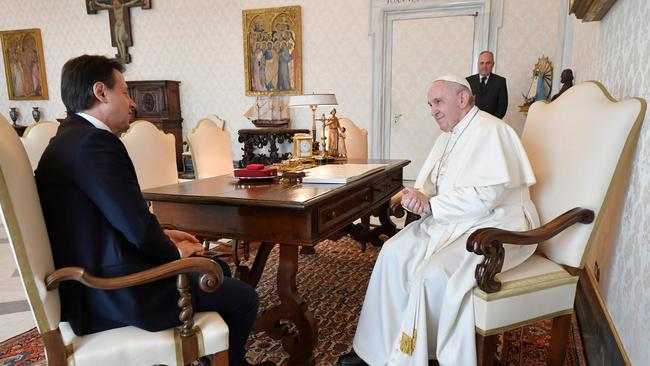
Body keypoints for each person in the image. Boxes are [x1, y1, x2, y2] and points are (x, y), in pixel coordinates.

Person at [35, 55, 259, 366]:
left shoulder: (68, 139)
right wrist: (174, 254)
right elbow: (137, 229)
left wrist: (166, 236)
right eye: (125, 92)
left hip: (90, 285)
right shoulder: (94, 144)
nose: (132, 103)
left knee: (216, 270)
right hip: (115, 295)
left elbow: (110, 221)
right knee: (243, 297)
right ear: (101, 92)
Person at [337, 74, 539, 366]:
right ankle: (375, 351)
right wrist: (419, 195)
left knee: (432, 274)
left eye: (438, 101)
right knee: (392, 253)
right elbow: (435, 183)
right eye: (430, 104)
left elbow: (487, 198)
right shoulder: (449, 136)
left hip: (495, 225)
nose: (433, 110)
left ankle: (421, 355)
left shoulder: (493, 131)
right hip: (453, 219)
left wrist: (431, 203)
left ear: (462, 98)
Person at [466, 51, 508, 119]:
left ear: (493, 64)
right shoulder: (468, 81)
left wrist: (492, 122)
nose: (484, 66)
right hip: (472, 123)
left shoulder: (500, 82)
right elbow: (465, 104)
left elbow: (502, 107)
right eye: (481, 63)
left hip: (491, 123)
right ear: (478, 64)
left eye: (488, 63)